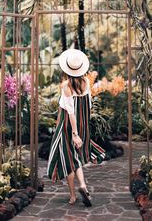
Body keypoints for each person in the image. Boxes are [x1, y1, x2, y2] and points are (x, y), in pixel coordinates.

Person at [47, 49, 105, 207]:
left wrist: (74, 134)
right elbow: (89, 105)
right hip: (83, 123)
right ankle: (84, 186)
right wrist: (81, 131)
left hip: (67, 125)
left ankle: (73, 195)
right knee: (76, 157)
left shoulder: (66, 86)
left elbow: (70, 112)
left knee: (67, 158)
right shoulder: (86, 82)